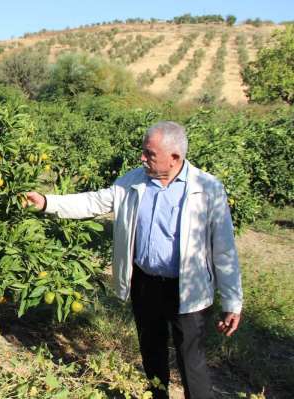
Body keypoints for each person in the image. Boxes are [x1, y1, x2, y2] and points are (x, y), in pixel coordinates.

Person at [25, 121, 243, 399]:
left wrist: (232, 301)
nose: (142, 158)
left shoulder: (207, 188)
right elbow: (95, 202)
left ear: (175, 157)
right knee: (151, 351)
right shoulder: (133, 181)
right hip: (146, 284)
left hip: (188, 288)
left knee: (192, 362)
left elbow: (224, 249)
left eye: (149, 153)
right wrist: (47, 202)